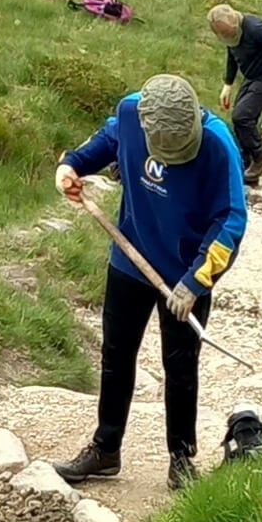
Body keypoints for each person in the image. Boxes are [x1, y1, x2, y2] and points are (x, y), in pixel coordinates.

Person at [53, 74, 247, 491]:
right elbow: (108, 140)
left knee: (180, 365)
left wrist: (196, 281)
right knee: (116, 355)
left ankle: (181, 458)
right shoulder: (131, 112)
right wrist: (72, 164)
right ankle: (106, 449)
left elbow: (232, 218)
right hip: (129, 260)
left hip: (184, 274)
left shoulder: (217, 143)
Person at [207, 3, 262, 184]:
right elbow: (232, 54)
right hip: (253, 77)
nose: (228, 38)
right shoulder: (230, 37)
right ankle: (245, 166)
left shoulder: (256, 29)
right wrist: (228, 83)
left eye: (230, 34)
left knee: (242, 116)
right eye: (223, 36)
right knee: (240, 120)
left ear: (235, 23)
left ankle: (260, 156)